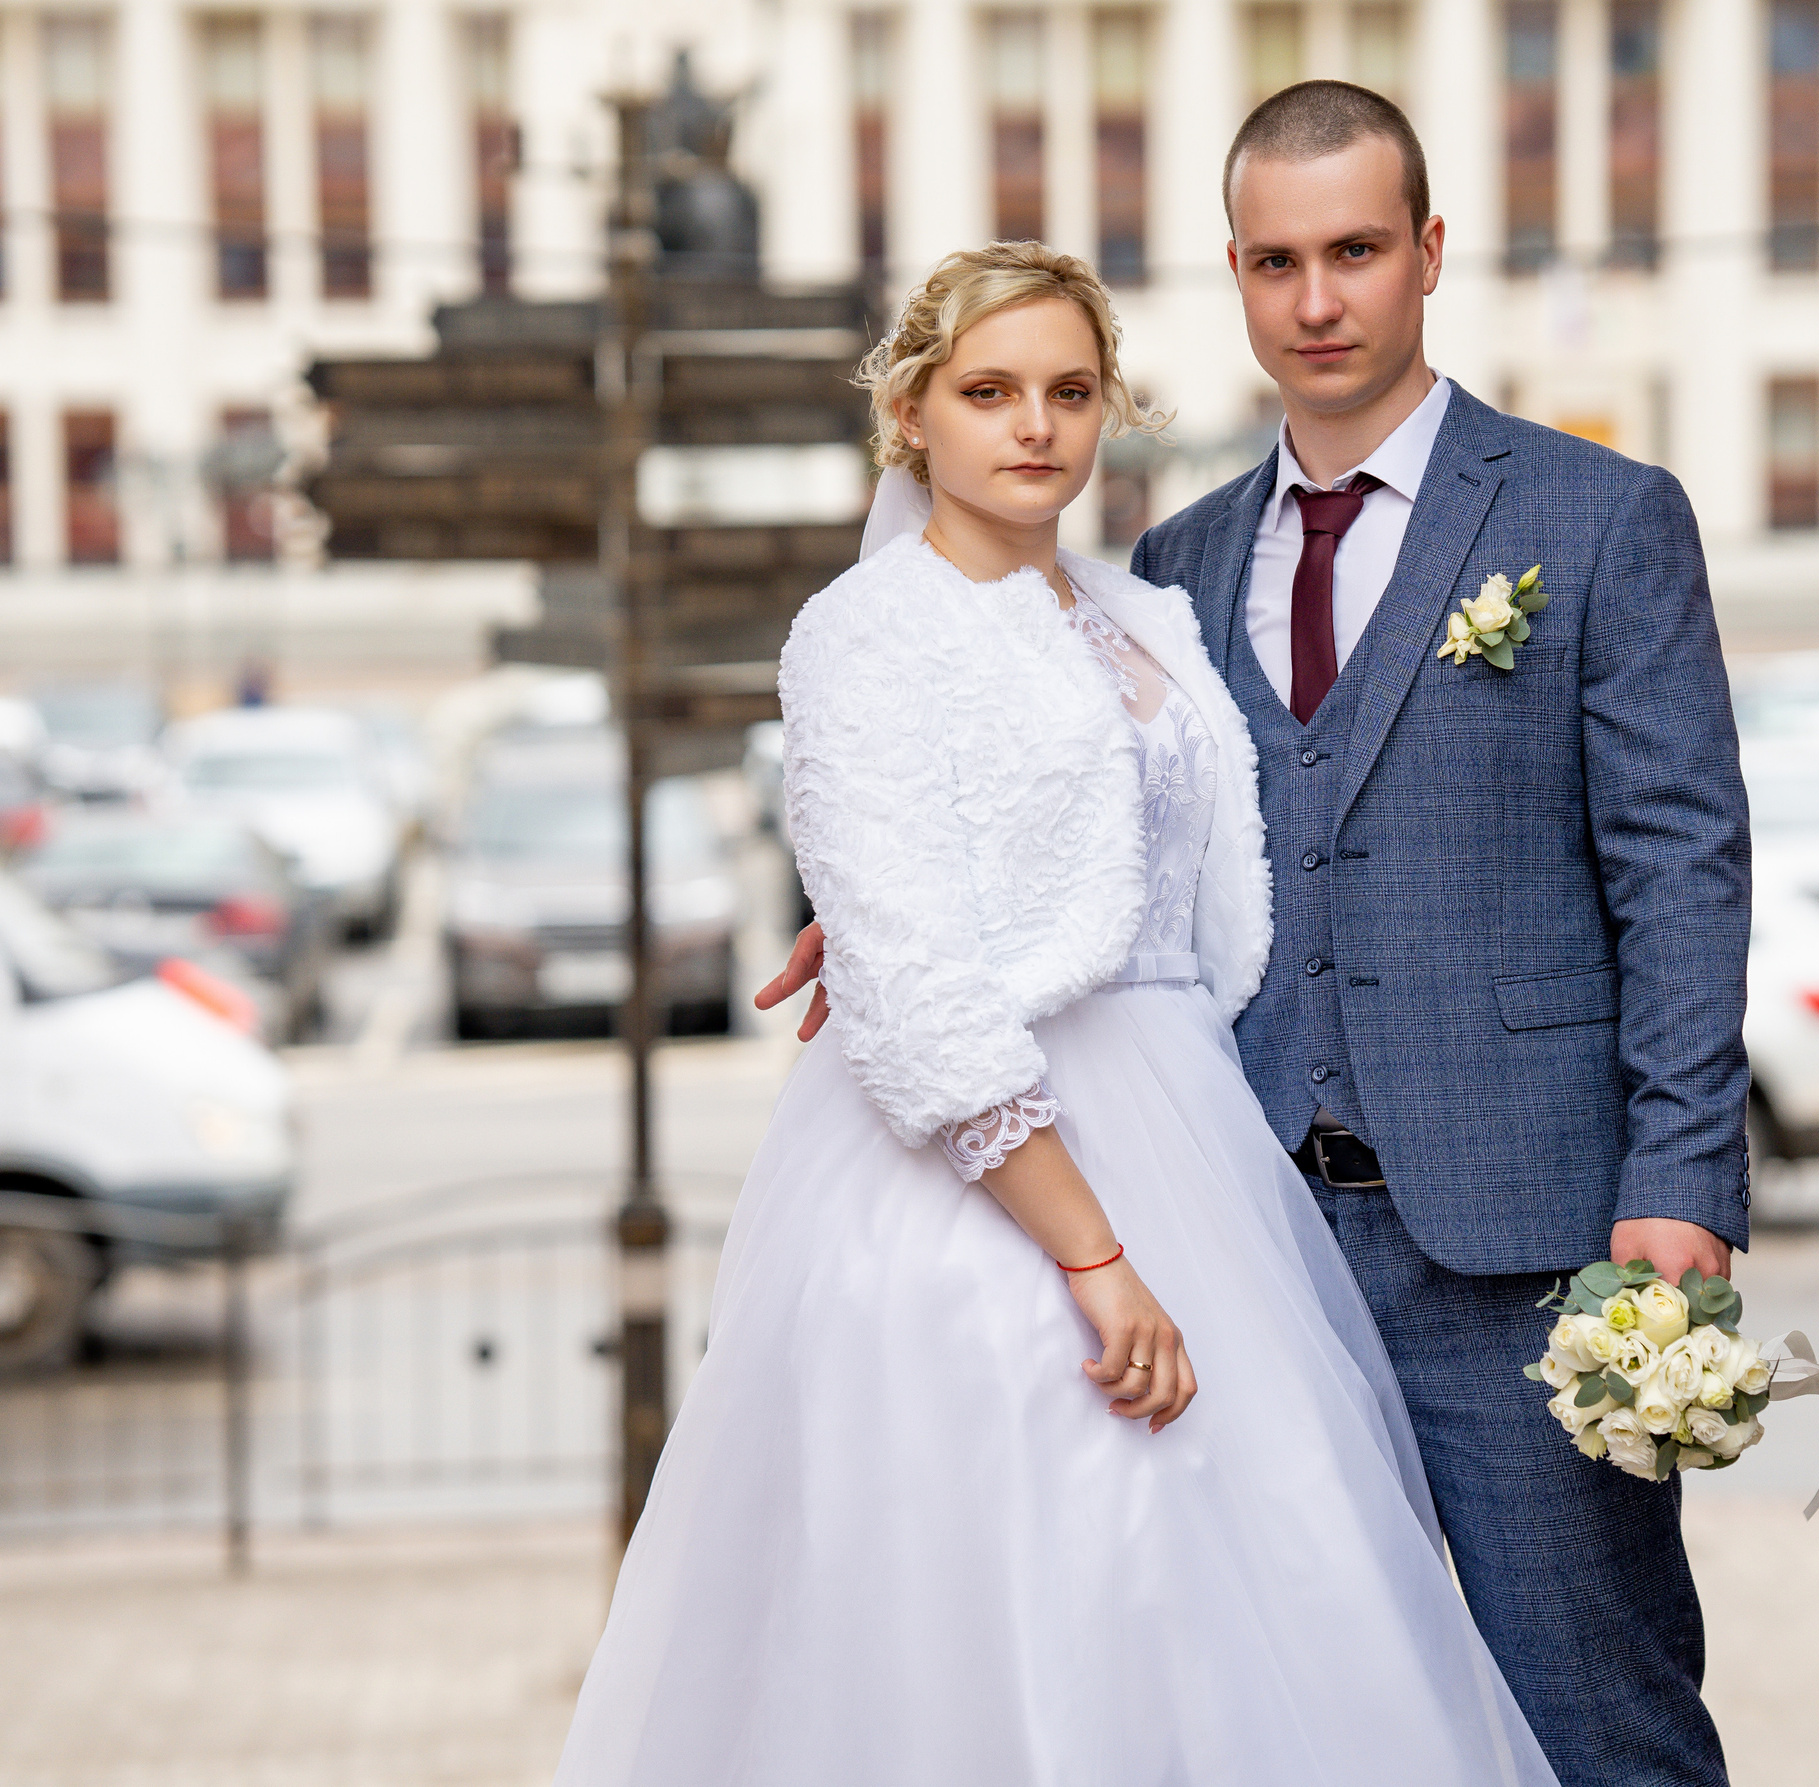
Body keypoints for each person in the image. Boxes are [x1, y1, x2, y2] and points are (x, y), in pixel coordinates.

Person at [761, 85, 1747, 1787]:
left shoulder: (1599, 518)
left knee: (1600, 1727)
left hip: (1524, 1244)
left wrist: (1680, 1179)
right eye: (1277, 262)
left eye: (1355, 251)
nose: (1318, 300)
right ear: (1234, 275)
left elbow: (1684, 867)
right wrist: (883, 902)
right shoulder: (1176, 564)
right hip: (1242, 1230)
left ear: (1428, 253)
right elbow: (1111, 822)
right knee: (1310, 1728)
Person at [554, 241, 1557, 1785]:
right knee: (1044, 1592)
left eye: (1072, 392)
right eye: (990, 391)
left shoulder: (1141, 607)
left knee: (1241, 1612)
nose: (1036, 425)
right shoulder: (865, 631)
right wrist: (1092, 1253)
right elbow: (918, 981)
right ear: (911, 414)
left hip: (1193, 1136)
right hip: (989, 1181)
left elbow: (1165, 857)